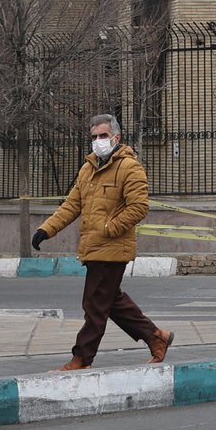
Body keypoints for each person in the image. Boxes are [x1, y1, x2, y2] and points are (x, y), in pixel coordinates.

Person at [32, 114, 172, 371]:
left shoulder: (130, 167)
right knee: (110, 301)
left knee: (94, 304)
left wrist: (110, 228)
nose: (98, 141)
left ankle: (82, 357)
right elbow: (72, 205)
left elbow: (139, 207)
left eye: (103, 136)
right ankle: (156, 336)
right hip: (93, 247)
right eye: (94, 137)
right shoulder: (88, 169)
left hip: (113, 248)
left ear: (116, 138)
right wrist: (46, 229)